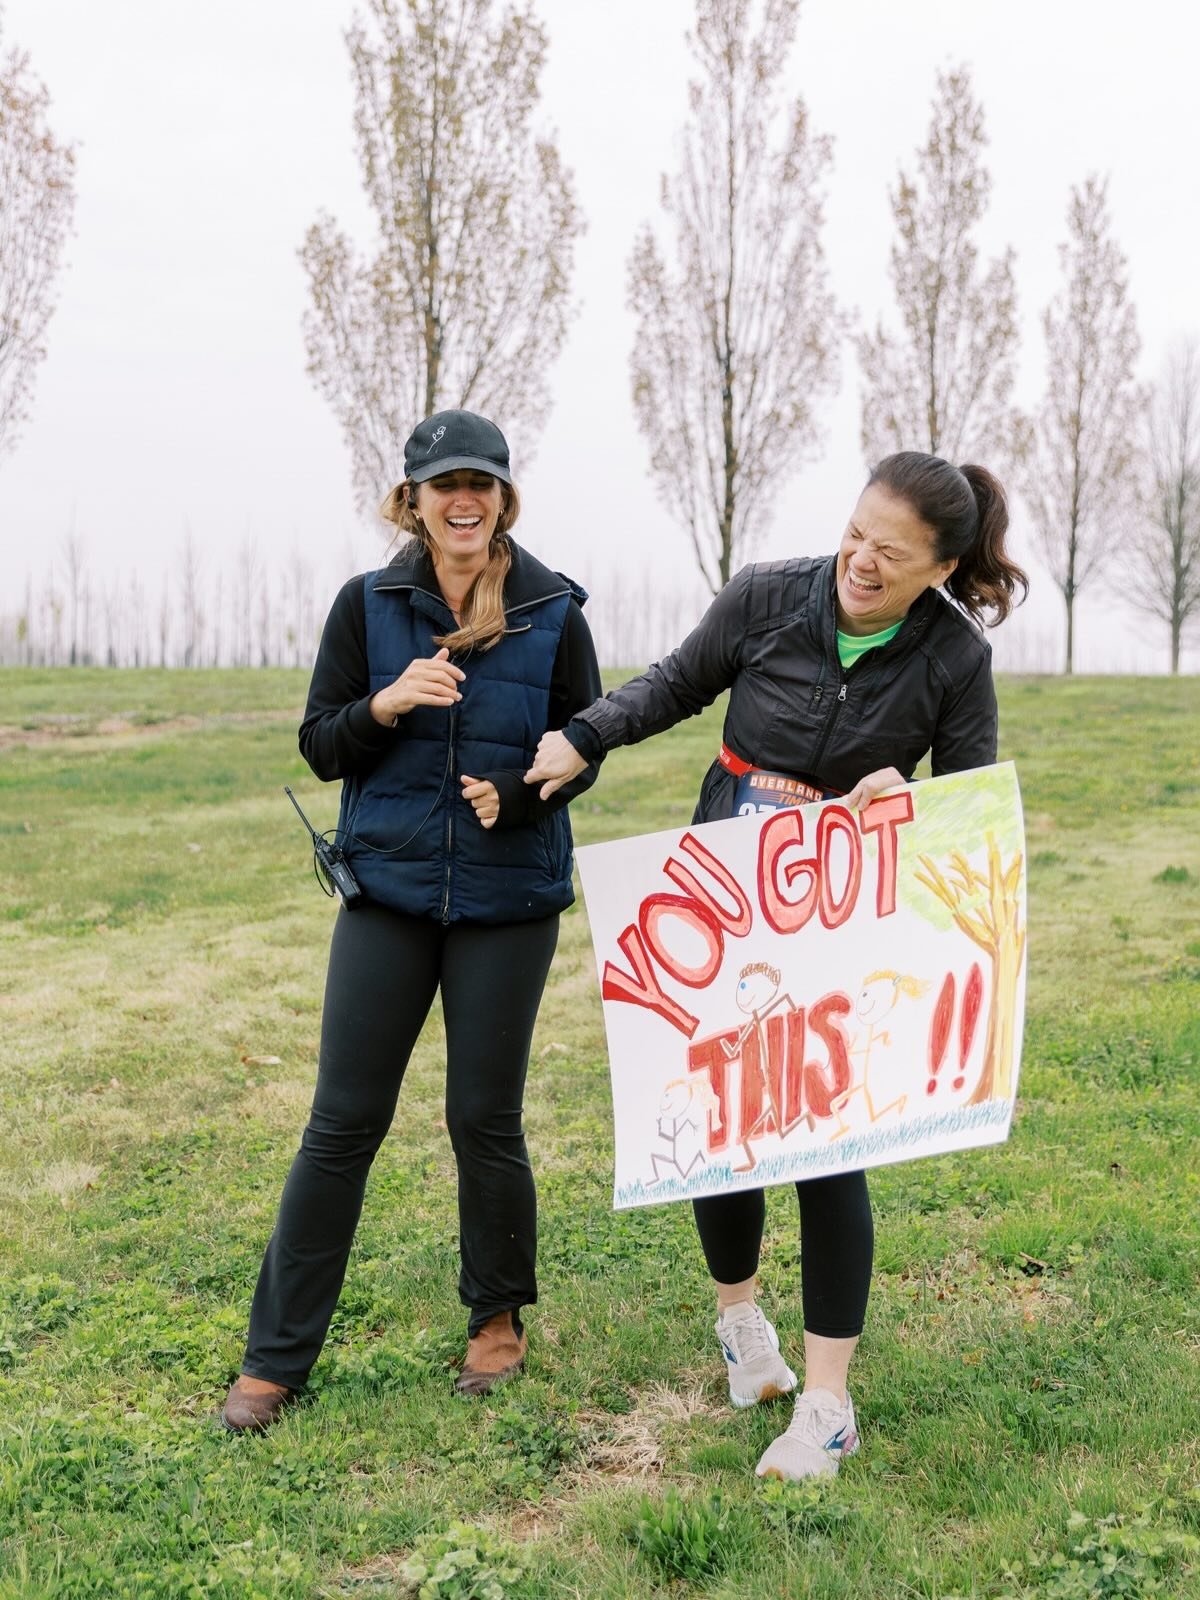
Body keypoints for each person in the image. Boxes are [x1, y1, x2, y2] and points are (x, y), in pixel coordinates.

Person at [524, 451, 1028, 1481]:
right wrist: (584, 736)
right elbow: (674, 683)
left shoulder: (951, 657)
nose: (862, 562)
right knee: (727, 1119)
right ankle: (740, 1324)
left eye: (893, 555)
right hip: (729, 886)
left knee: (829, 1141)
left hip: (846, 917)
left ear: (940, 568)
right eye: (856, 535)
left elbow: (970, 806)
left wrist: (911, 798)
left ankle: (830, 1403)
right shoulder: (766, 595)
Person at [221, 410, 602, 1431]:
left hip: (508, 902)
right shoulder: (368, 604)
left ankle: (497, 1321)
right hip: (387, 895)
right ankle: (274, 1358)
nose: (463, 499)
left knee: (484, 1119)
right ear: (414, 498)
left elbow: (584, 746)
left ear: (504, 496)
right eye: (444, 485)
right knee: (341, 1123)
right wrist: (385, 705)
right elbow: (320, 744)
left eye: (480, 482)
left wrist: (519, 798)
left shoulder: (557, 609)